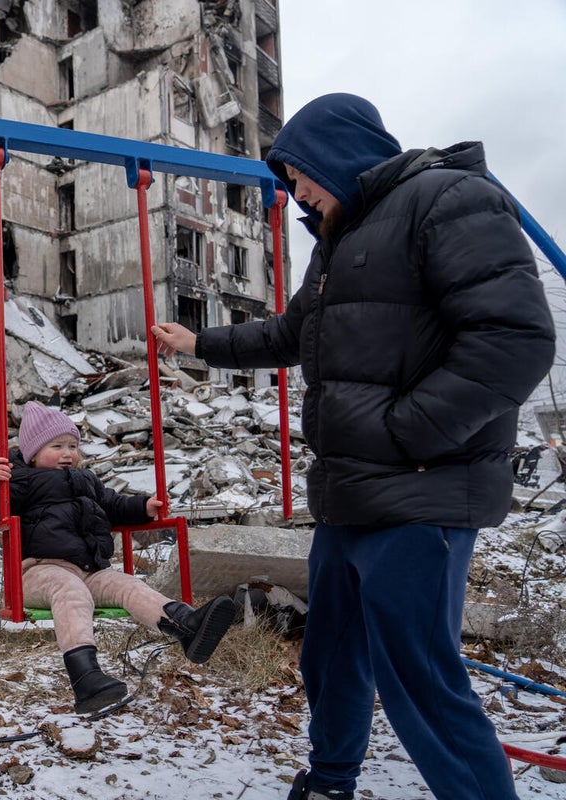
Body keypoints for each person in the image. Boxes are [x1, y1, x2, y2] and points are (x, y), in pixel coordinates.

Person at [151, 93, 555, 800]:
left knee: (418, 680)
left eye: (300, 175)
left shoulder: (449, 199)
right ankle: (330, 781)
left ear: (336, 154)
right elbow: (286, 334)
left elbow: (515, 339)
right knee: (331, 656)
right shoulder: (339, 246)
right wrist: (199, 343)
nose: (296, 192)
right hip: (350, 497)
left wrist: (412, 430)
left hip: (421, 493)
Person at [0, 401, 235, 713]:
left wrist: (143, 507)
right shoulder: (20, 481)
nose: (68, 453)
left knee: (127, 585)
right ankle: (86, 677)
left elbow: (115, 505)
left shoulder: (88, 481)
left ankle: (187, 626)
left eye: (73, 446)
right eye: (57, 446)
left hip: (90, 570)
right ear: (33, 453)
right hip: (39, 572)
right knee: (70, 591)